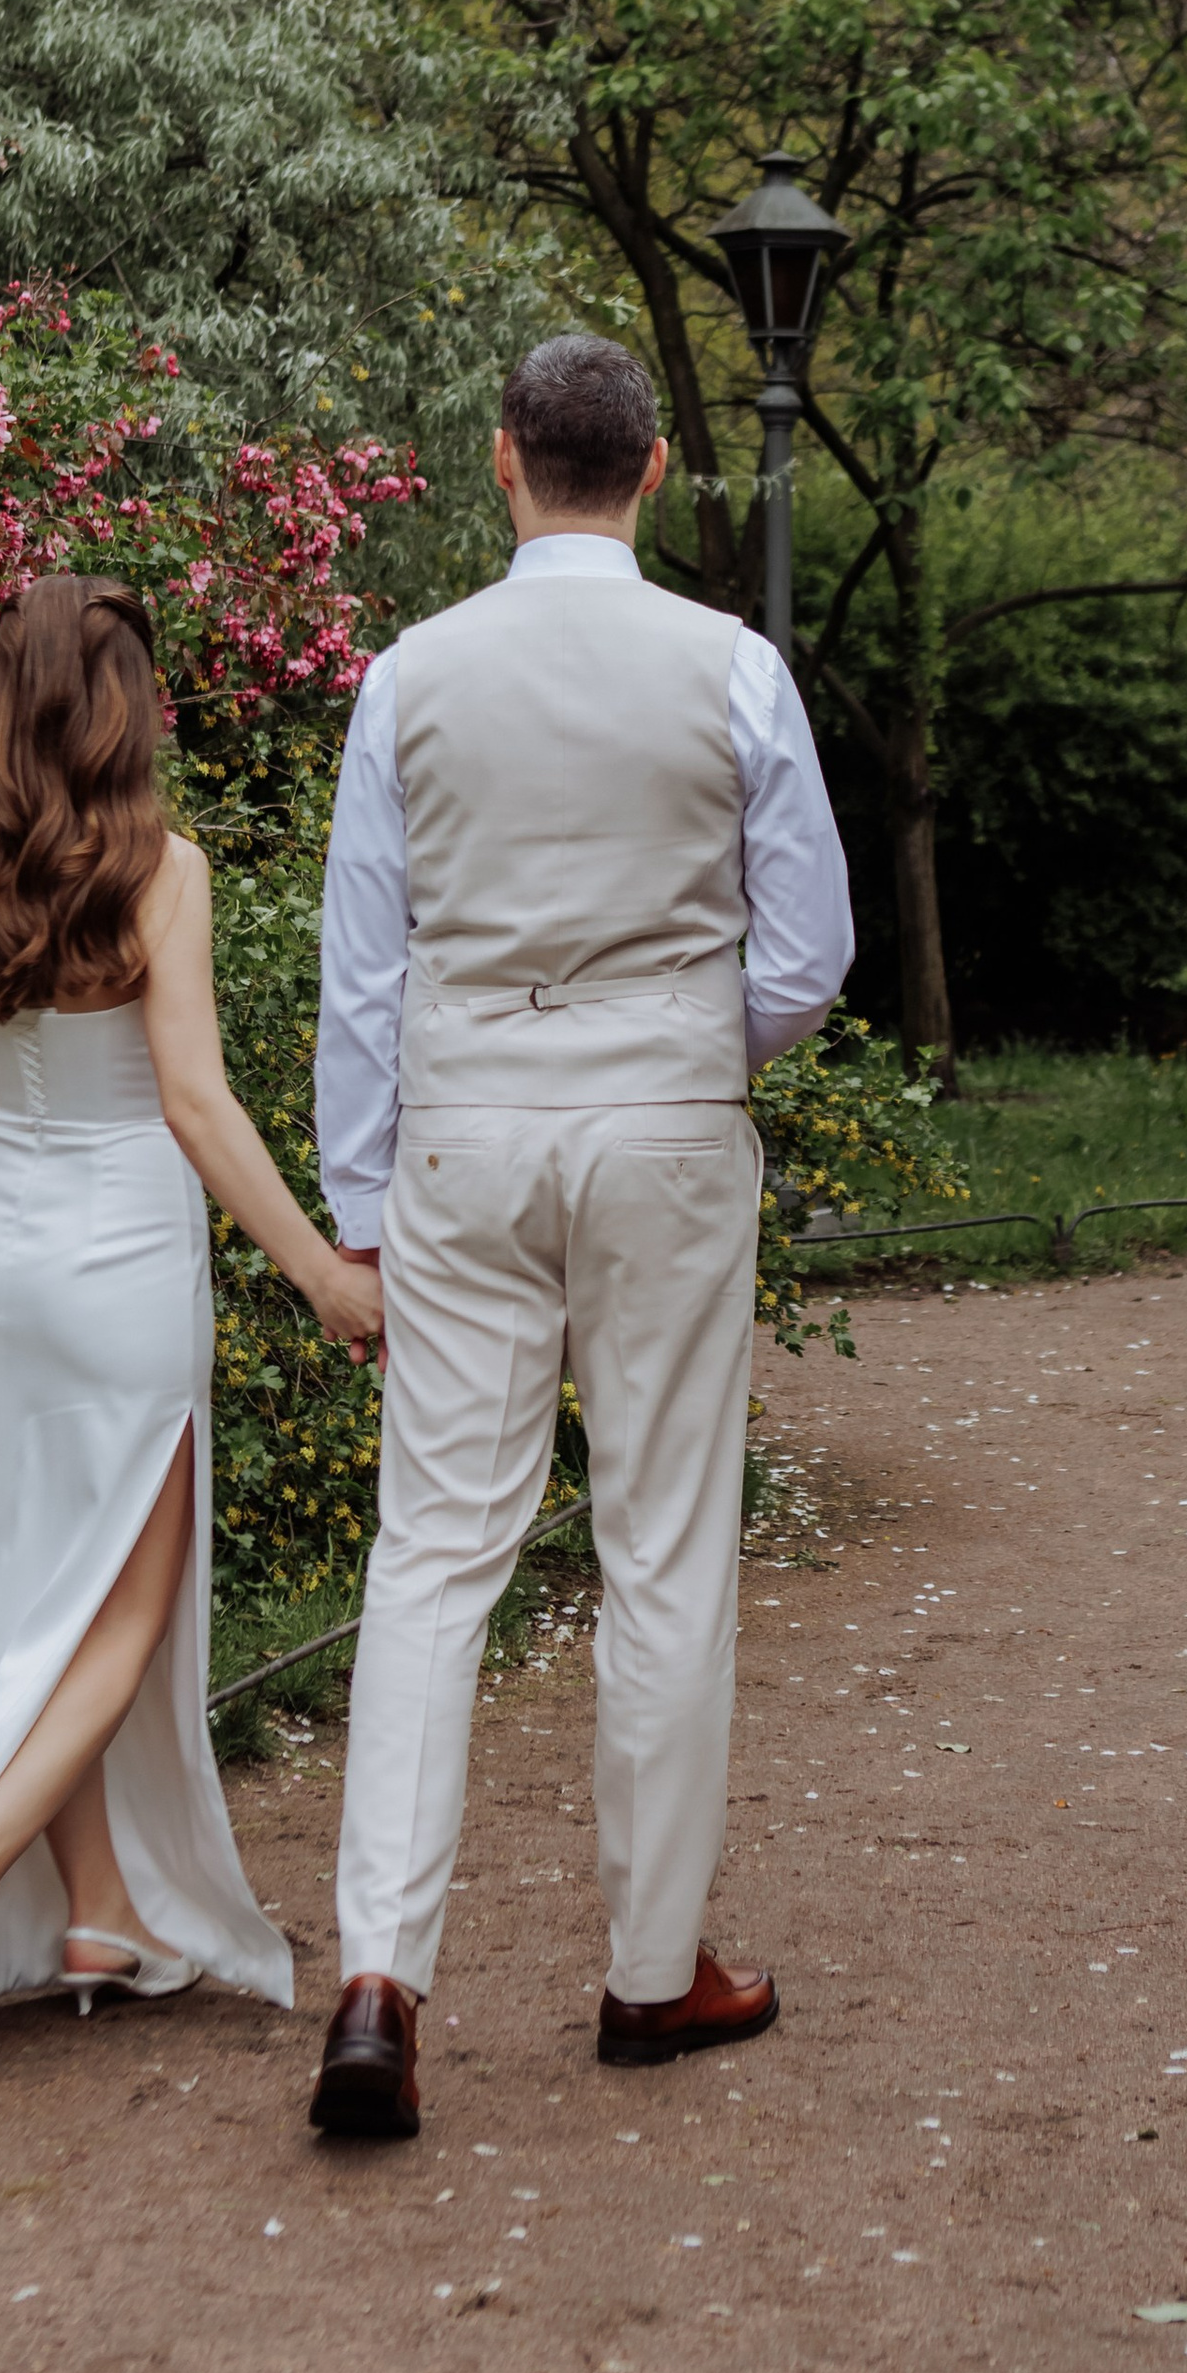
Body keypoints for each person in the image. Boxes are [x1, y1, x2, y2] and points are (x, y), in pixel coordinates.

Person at [307, 334, 854, 2138]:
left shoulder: (409, 677)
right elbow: (809, 956)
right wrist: (686, 1050)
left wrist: (360, 1206)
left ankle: (379, 1980)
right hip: (668, 1137)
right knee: (666, 1545)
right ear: (659, 467)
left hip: (462, 1135)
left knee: (431, 1552)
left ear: (501, 460)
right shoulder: (734, 667)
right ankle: (650, 1970)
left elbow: (365, 971)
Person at [0, 574, 384, 2079]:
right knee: (128, 1608)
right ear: (117, 710)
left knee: (39, 1592)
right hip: (123, 1256)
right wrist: (321, 1275)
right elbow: (195, 1104)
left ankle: (99, 1911)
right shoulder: (163, 868)